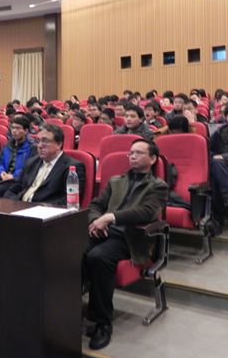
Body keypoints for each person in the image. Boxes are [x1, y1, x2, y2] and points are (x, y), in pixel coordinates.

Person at [83, 139, 168, 350]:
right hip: (103, 231)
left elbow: (146, 212)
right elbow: (96, 204)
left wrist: (110, 217)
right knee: (71, 250)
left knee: (98, 257)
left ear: (153, 159)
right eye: (131, 153)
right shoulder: (116, 181)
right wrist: (96, 220)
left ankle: (103, 323)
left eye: (139, 153)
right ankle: (70, 310)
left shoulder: (158, 186)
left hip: (130, 238)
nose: (132, 156)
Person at [4, 123, 85, 205]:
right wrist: (14, 205)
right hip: (21, 207)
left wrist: (37, 207)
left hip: (46, 210)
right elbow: (13, 189)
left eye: (45, 141)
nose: (39, 145)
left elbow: (69, 200)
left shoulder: (72, 167)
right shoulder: (31, 162)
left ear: (59, 144)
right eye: (38, 141)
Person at [0, 116, 36, 197]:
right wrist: (1, 172)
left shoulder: (32, 147)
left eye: (18, 128)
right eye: (13, 128)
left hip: (18, 181)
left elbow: (30, 168)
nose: (14, 131)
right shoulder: (7, 145)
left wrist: (13, 176)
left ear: (26, 131)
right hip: (3, 178)